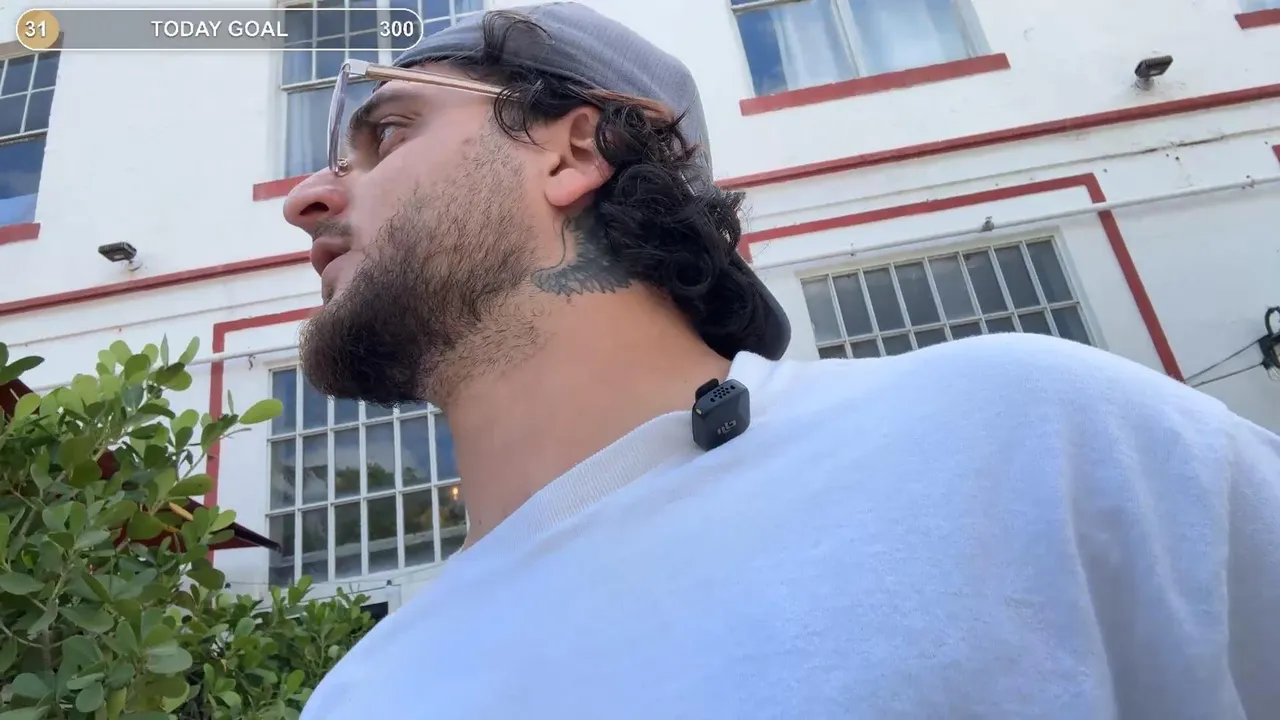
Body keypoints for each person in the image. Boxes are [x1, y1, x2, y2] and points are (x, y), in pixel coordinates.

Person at [282, 4, 1280, 718]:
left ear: (570, 152)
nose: (306, 200)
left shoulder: (1018, 436)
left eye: (388, 133)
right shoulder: (368, 694)